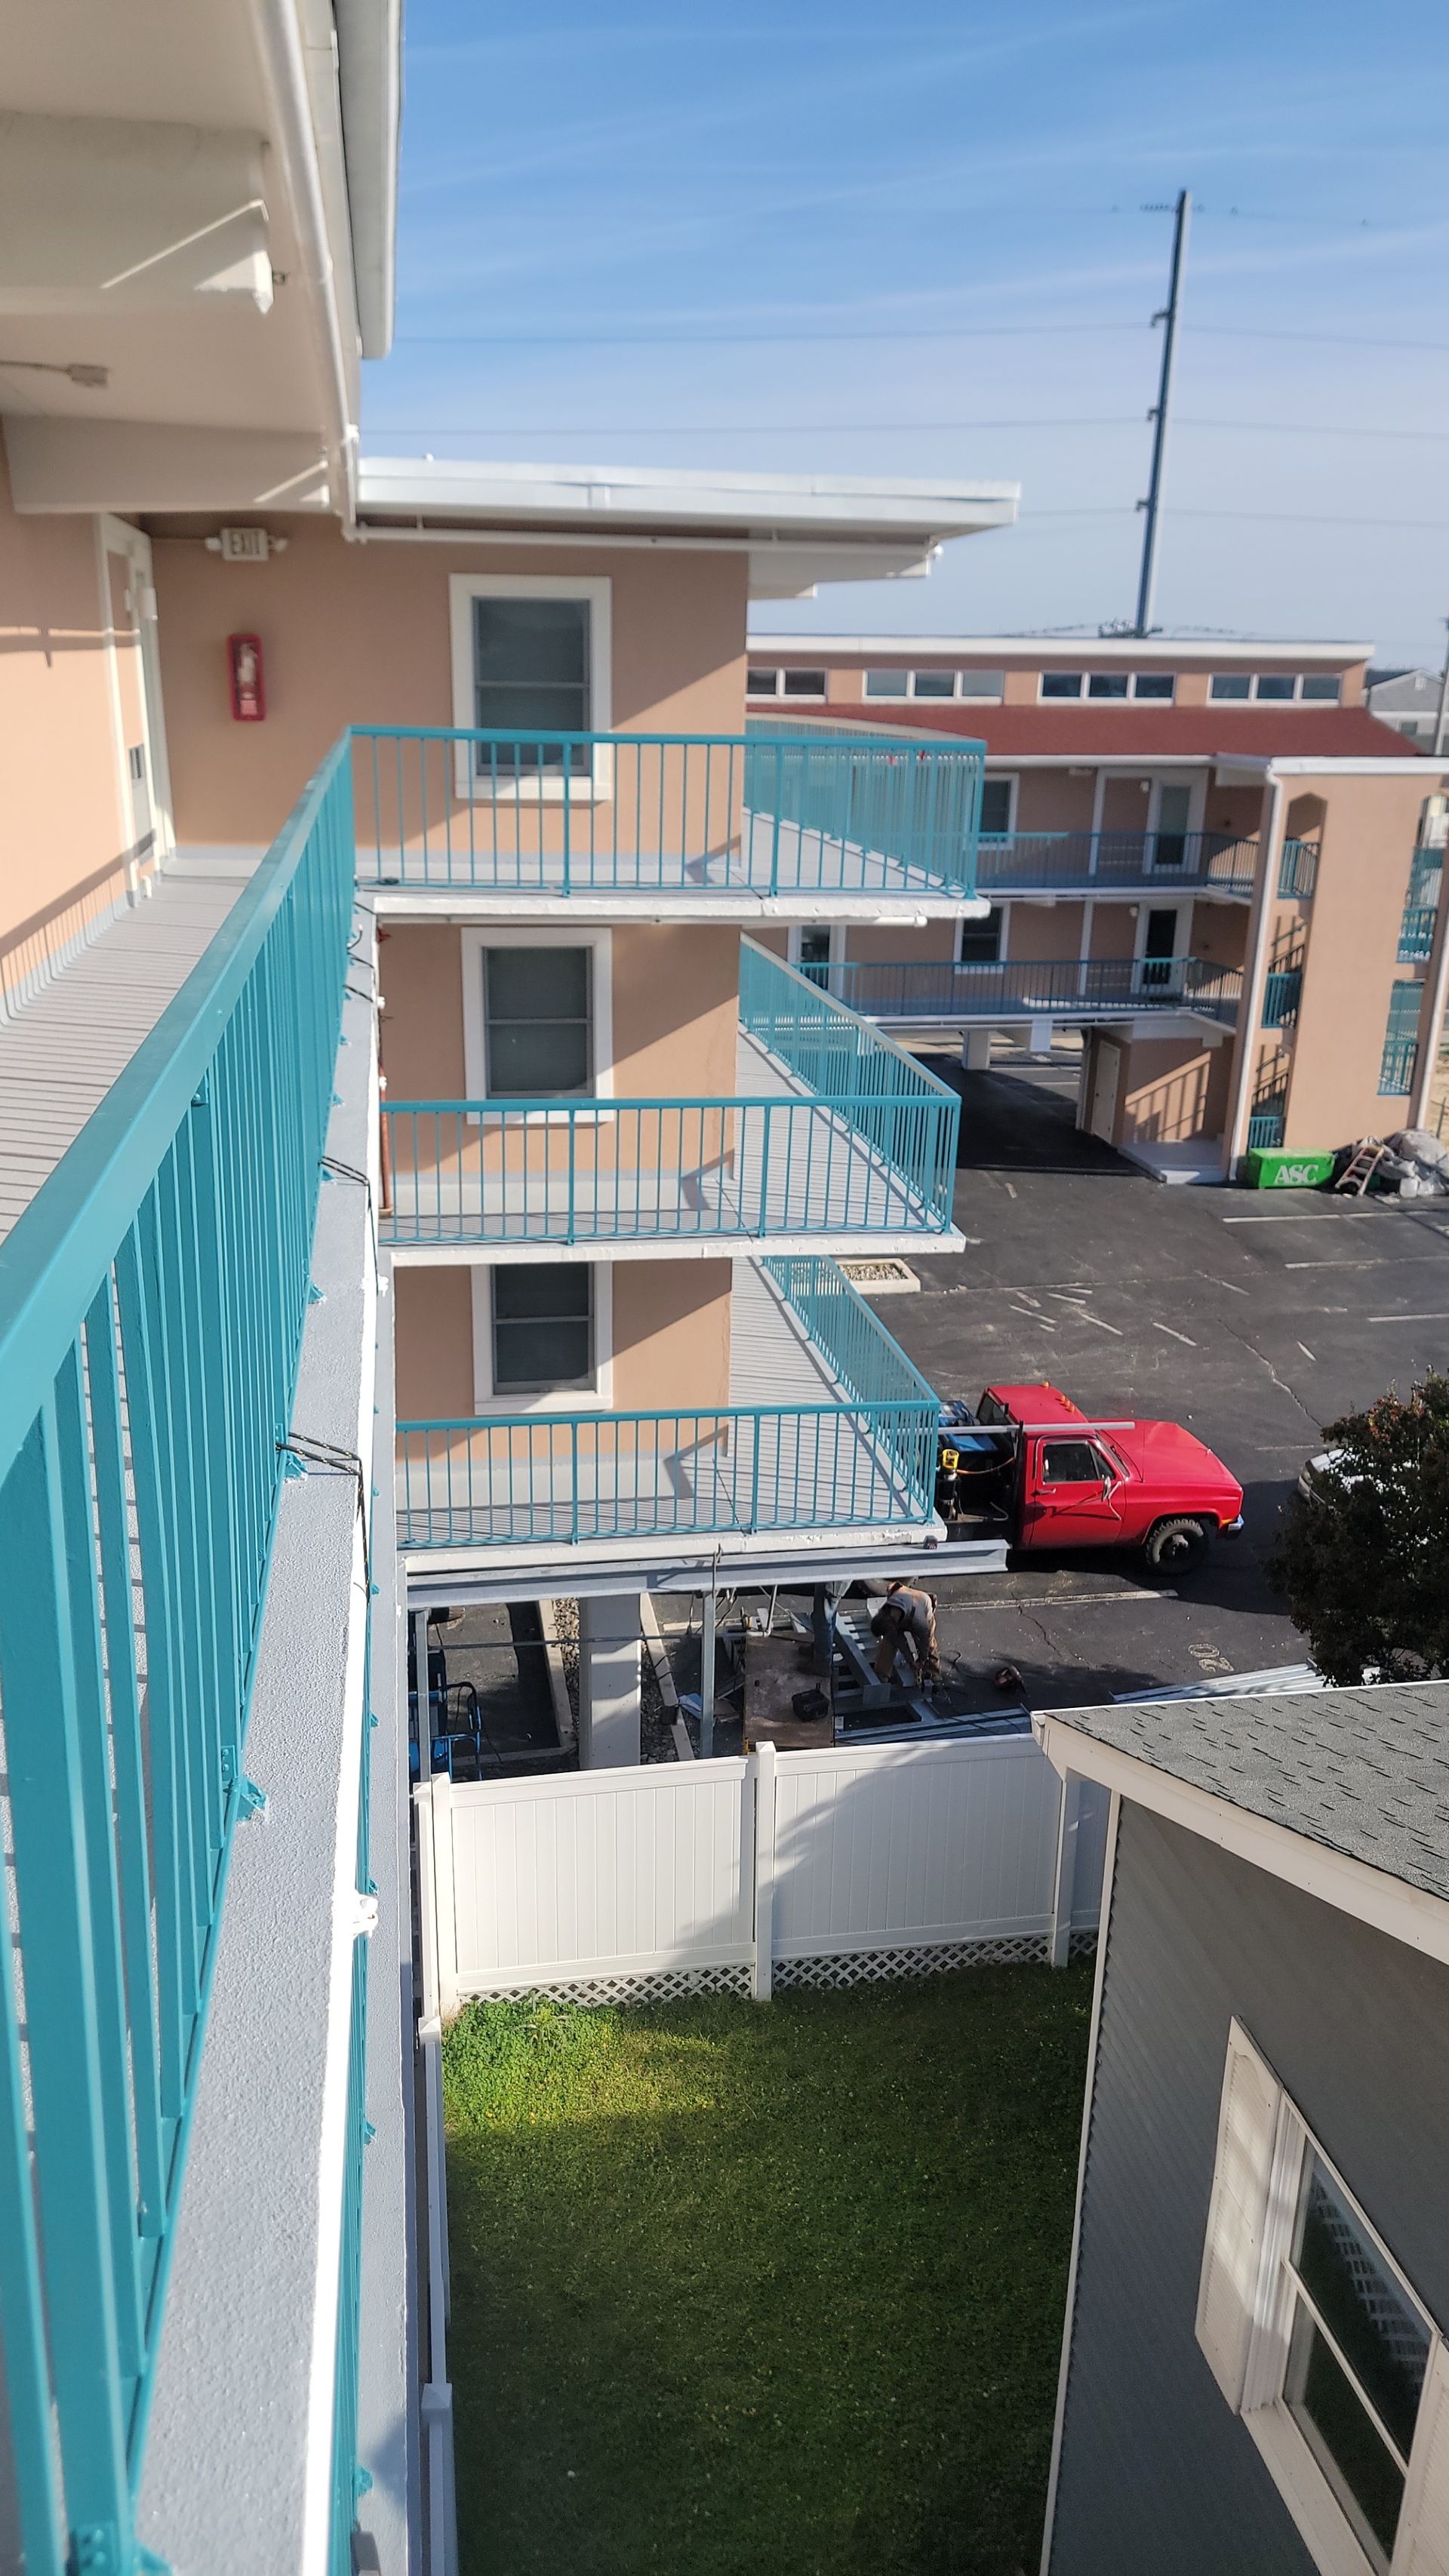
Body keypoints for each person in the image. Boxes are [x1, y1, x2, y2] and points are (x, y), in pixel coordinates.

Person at [869, 1578, 941, 1691]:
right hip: (907, 1603)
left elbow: (924, 1641)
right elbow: (900, 1642)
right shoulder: (887, 1611)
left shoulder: (919, 1621)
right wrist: (911, 1661)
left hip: (923, 1606)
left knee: (929, 1646)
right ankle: (882, 1676)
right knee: (888, 1642)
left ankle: (934, 1675)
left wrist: (921, 1660)